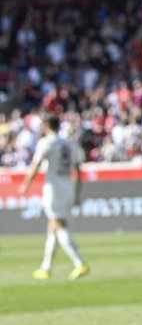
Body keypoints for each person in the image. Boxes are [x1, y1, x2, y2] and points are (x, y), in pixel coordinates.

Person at [20, 116, 90, 280]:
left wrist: (26, 184)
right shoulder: (70, 143)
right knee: (53, 228)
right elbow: (79, 169)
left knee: (58, 225)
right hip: (68, 187)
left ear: (46, 126)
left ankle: (79, 263)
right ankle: (46, 268)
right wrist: (78, 193)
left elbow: (36, 164)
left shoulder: (46, 142)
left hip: (53, 188)